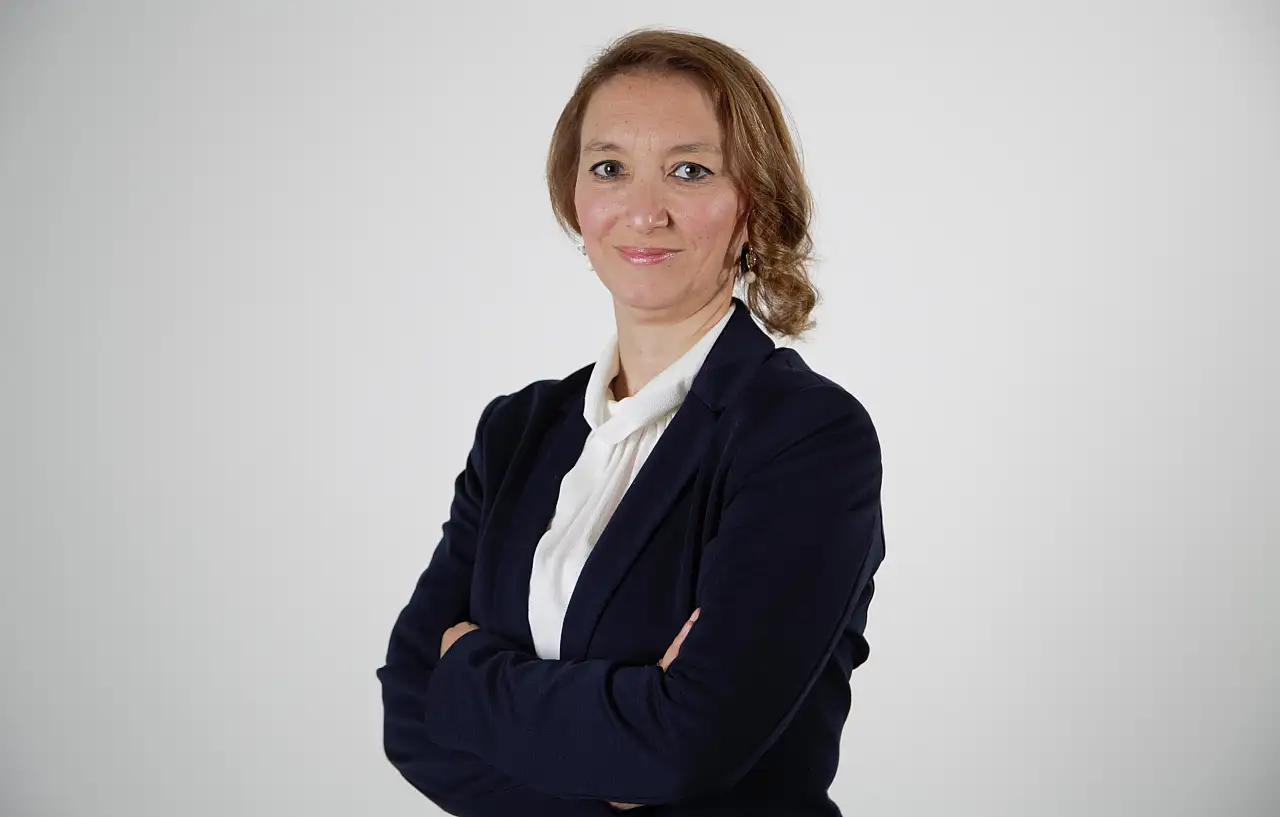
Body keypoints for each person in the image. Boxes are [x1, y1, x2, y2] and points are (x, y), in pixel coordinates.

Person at [376, 28, 885, 817]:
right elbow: (410, 713)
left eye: (689, 170)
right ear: (574, 200)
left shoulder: (807, 438)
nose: (645, 212)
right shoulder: (516, 432)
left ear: (753, 204)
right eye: (609, 168)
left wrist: (470, 676)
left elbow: (685, 748)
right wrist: (618, 756)